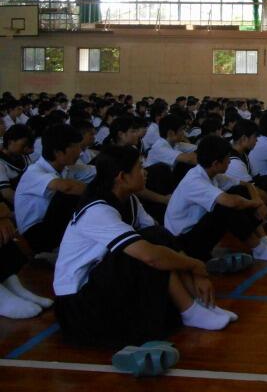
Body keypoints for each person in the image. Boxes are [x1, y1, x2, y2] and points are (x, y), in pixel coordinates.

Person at [54, 145, 236, 347]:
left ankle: (201, 302)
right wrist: (195, 265)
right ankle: (190, 310)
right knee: (149, 249)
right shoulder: (97, 210)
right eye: (140, 167)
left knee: (157, 238)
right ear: (121, 177)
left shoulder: (129, 200)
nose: (145, 171)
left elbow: (164, 238)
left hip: (102, 282)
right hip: (79, 306)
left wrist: (196, 270)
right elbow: (150, 255)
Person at [164, 135, 267, 263]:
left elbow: (247, 185)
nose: (229, 162)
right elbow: (230, 202)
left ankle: (264, 241)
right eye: (227, 158)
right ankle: (260, 250)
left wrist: (259, 203)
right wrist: (254, 203)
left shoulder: (211, 174)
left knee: (239, 191)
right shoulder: (195, 180)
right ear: (216, 163)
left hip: (197, 232)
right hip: (184, 243)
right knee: (227, 206)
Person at [15, 124, 95, 254]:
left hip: (52, 228)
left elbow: (95, 171)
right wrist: (102, 193)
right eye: (76, 147)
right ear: (58, 152)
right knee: (68, 196)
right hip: (34, 235)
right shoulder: (34, 172)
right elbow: (66, 187)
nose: (80, 152)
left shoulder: (66, 167)